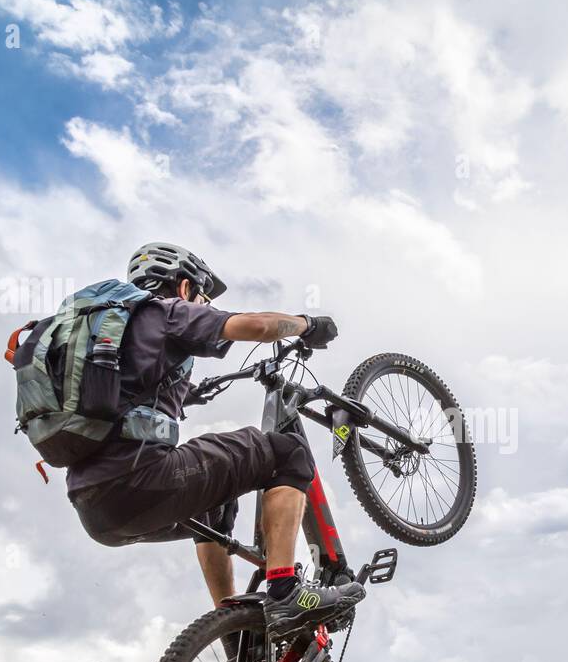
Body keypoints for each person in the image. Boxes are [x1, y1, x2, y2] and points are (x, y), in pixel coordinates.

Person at [66, 242, 364, 636]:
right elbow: (257, 327)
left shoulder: (108, 335)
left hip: (97, 510)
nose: (204, 305)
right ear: (185, 287)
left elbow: (125, 395)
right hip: (141, 483)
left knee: (216, 508)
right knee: (286, 453)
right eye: (203, 295)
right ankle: (286, 591)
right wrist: (307, 323)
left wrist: (186, 392)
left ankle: (235, 636)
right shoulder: (164, 311)